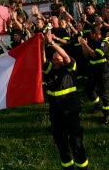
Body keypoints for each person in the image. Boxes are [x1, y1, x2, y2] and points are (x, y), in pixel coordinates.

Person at [42, 30, 89, 170]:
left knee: (76, 144)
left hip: (71, 113)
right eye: (54, 59)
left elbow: (66, 57)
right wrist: (42, 45)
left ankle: (82, 167)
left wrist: (51, 43)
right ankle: (68, 167)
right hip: (56, 115)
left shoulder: (69, 69)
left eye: (58, 59)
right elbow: (43, 60)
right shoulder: (50, 70)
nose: (56, 61)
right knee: (62, 145)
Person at [79, 26, 109, 124]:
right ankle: (98, 105)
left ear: (94, 34)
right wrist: (84, 46)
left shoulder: (104, 42)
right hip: (93, 70)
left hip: (103, 71)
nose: (89, 36)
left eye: (90, 34)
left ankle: (107, 114)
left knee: (103, 93)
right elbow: (86, 55)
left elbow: (95, 55)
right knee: (89, 89)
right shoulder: (92, 42)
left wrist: (86, 45)